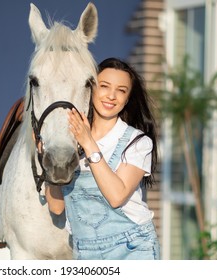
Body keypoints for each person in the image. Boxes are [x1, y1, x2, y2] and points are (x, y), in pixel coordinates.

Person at [45, 57, 160, 260]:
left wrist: (88, 143)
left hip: (132, 248)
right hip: (85, 252)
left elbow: (116, 196)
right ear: (91, 89)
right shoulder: (70, 141)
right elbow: (56, 207)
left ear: (127, 99)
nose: (112, 96)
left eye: (121, 90)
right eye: (104, 86)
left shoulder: (137, 142)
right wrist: (50, 162)